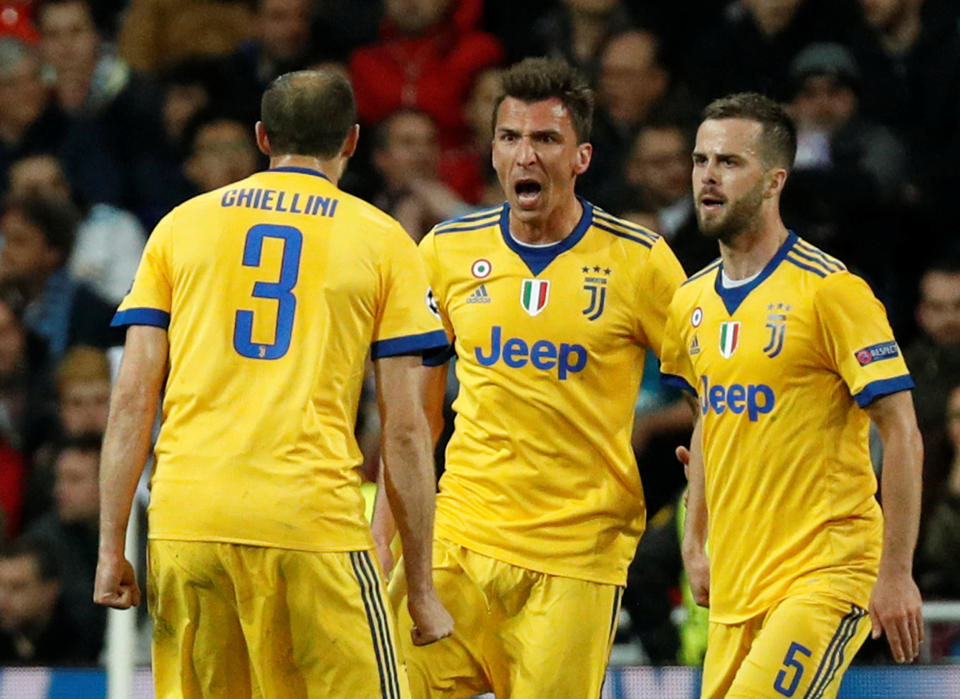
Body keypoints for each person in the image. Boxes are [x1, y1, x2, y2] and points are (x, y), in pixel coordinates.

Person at [93, 69, 453, 698]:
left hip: (188, 521)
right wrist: (420, 590)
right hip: (308, 523)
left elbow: (130, 402)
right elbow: (404, 429)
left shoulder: (181, 227)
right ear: (352, 142)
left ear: (262, 137)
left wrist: (109, 545)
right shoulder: (382, 240)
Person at [374, 57, 686, 698]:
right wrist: (385, 543)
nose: (526, 155)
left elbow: (715, 391)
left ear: (581, 157)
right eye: (512, 138)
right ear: (492, 152)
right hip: (456, 542)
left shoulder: (641, 261)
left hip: (575, 559)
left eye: (546, 140)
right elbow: (415, 420)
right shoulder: (446, 251)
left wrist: (705, 527)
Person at [659, 92, 923, 698]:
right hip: (736, 584)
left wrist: (896, 572)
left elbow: (901, 430)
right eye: (700, 161)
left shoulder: (831, 291)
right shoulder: (690, 302)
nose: (707, 176)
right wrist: (694, 545)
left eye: (729, 162)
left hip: (825, 573)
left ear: (775, 180)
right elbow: (709, 427)